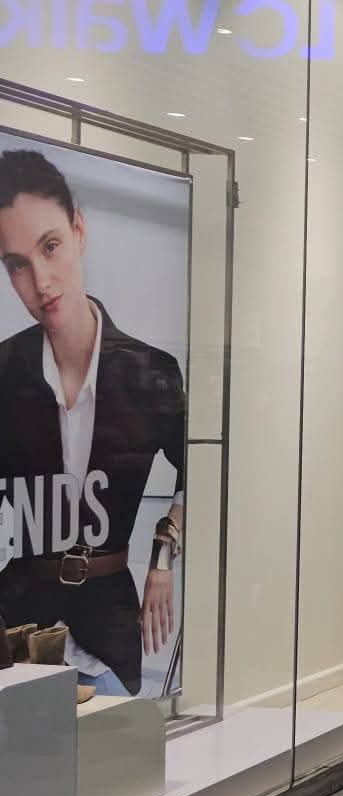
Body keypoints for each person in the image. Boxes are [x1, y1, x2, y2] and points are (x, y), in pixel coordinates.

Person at [0, 148, 188, 699]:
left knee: (113, 739)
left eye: (50, 246)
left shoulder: (150, 371)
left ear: (79, 231)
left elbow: (202, 469)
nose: (41, 281)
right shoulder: (4, 372)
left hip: (108, 611)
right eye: (17, 264)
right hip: (19, 612)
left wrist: (163, 554)